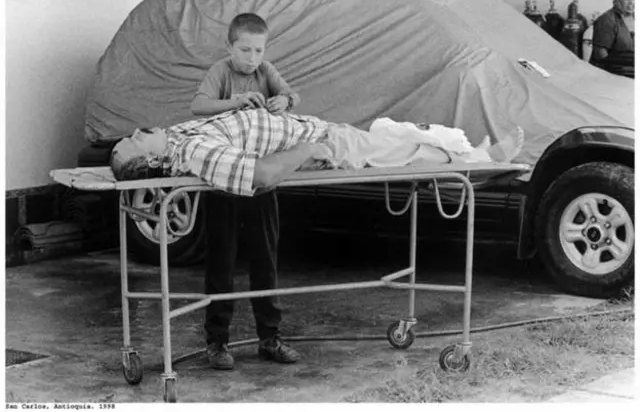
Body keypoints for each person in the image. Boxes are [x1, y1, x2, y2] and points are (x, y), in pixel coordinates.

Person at [110, 107, 524, 371]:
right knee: (397, 145)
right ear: (151, 161)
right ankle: (484, 158)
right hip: (319, 142)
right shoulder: (192, 151)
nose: (136, 130)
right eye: (132, 141)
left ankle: (477, 153)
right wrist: (311, 148)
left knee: (392, 138)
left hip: (317, 130)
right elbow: (264, 175)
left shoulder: (180, 134)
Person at [186, 12, 302, 371]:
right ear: (229, 46)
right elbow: (198, 106)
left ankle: (270, 337)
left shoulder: (265, 70)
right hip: (222, 188)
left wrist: (285, 101)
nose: (252, 58)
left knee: (265, 262)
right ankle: (217, 343)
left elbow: (290, 93)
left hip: (261, 185)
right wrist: (237, 102)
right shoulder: (221, 72)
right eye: (245, 50)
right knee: (221, 266)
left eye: (258, 50)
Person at [590, 0, 635, 76]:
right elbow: (600, 54)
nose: (631, 2)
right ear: (616, 0)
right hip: (614, 72)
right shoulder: (606, 20)